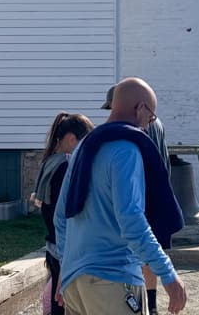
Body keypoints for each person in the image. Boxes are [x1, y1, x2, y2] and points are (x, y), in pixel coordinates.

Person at [54, 77, 187, 315]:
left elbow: (61, 217)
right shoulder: (126, 150)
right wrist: (168, 274)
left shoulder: (83, 149)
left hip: (75, 283)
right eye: (151, 116)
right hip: (112, 279)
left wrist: (67, 266)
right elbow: (132, 220)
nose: (148, 125)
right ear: (141, 108)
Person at [101, 84, 170, 315]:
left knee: (141, 249)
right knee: (150, 249)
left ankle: (147, 302)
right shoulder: (158, 125)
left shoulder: (133, 136)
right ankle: (151, 302)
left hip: (140, 193)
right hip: (154, 192)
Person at [32, 112, 94, 315]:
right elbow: (65, 212)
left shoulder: (50, 162)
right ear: (71, 139)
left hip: (52, 245)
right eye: (82, 143)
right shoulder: (65, 166)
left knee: (53, 302)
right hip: (64, 248)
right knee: (61, 303)